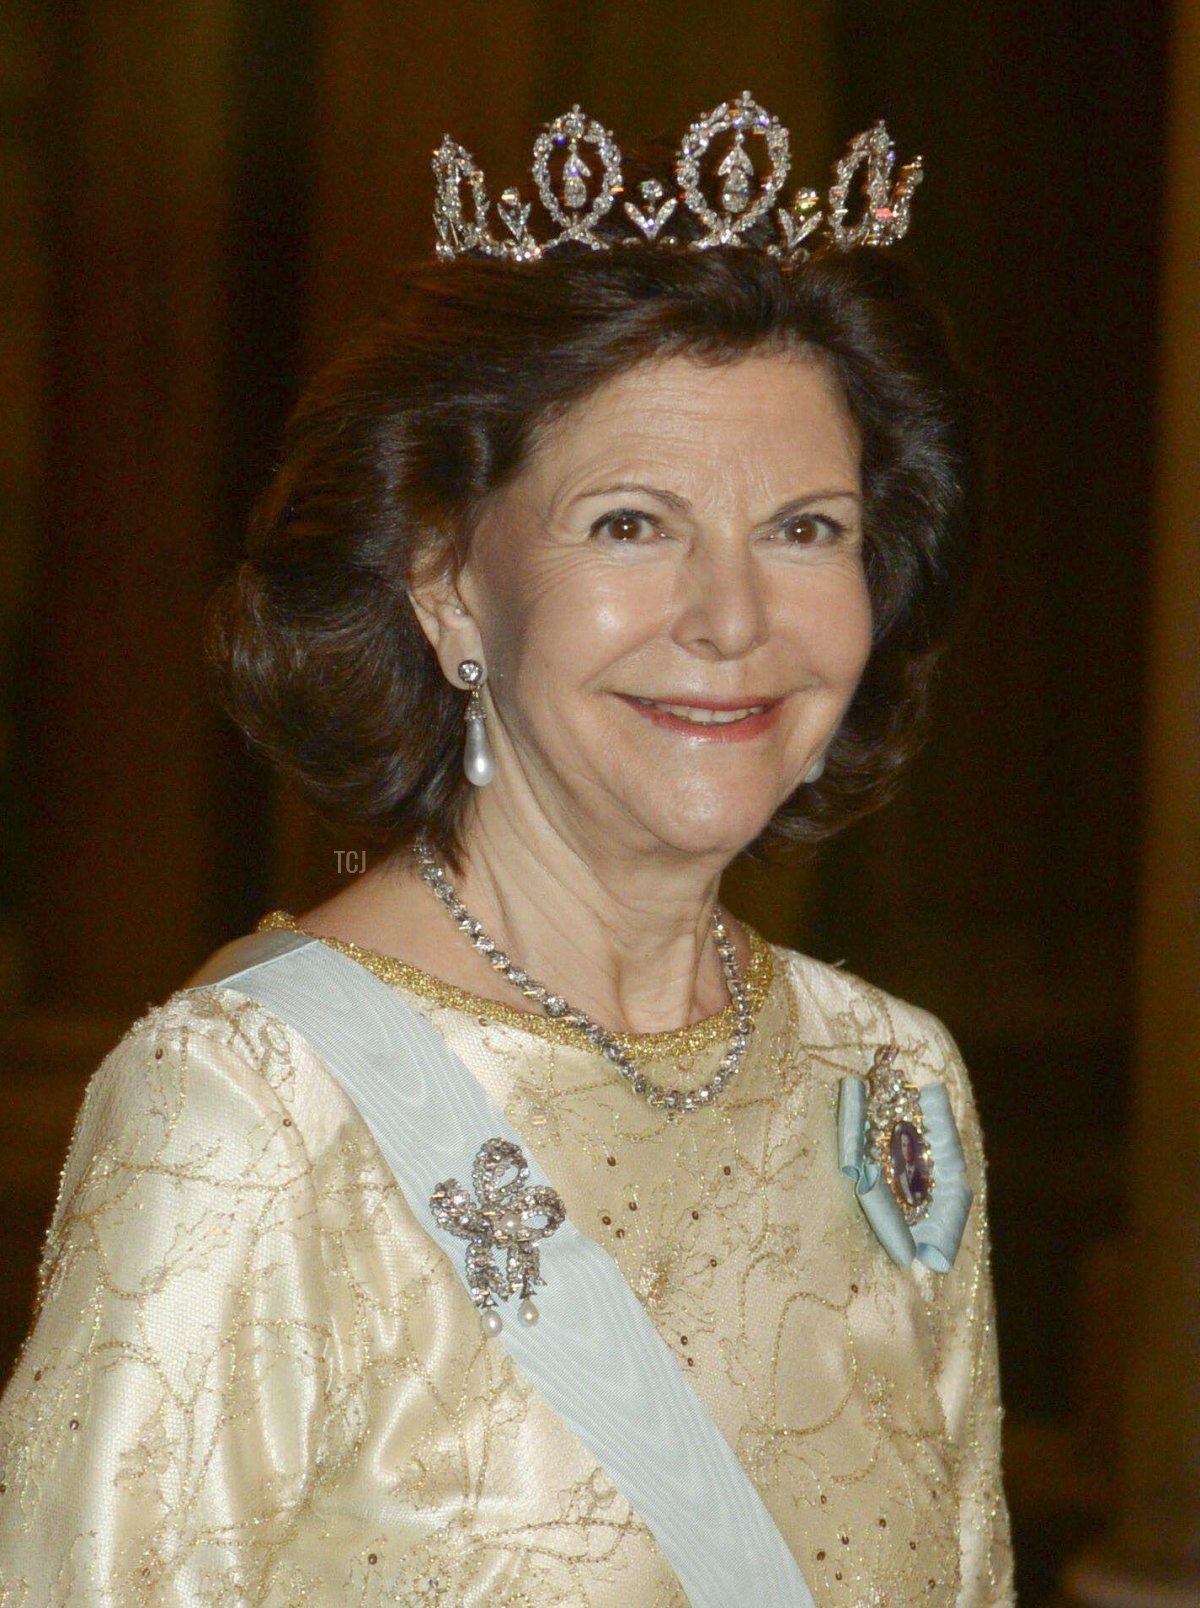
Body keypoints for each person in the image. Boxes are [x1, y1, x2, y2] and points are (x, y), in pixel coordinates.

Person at [0, 98, 1014, 1604]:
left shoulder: (890, 1082)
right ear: (448, 585)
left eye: (807, 529)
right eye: (628, 525)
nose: (734, 620)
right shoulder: (254, 1109)